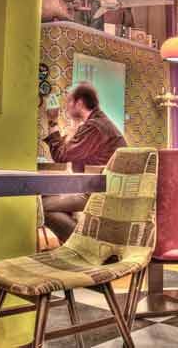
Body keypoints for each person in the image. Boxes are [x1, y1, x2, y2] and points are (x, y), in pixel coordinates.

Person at [42, 83, 127, 242]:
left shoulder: (94, 127)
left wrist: (52, 121)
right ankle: (78, 247)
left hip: (100, 192)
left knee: (42, 206)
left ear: (79, 103)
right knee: (52, 198)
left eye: (68, 102)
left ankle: (85, 244)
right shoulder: (100, 123)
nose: (66, 108)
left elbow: (60, 155)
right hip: (106, 188)